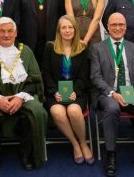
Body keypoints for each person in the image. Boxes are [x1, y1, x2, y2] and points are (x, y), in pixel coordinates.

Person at [0, 17, 47, 171]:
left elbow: (35, 79)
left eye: (10, 31)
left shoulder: (26, 51)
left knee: (37, 111)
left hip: (23, 96)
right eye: (2, 31)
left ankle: (28, 154)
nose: (6, 35)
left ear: (16, 33)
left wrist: (19, 97)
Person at [90, 12, 134, 176]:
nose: (117, 28)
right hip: (107, 94)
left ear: (125, 27)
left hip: (131, 93)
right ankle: (111, 154)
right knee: (113, 108)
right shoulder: (97, 48)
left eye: (121, 24)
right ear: (108, 27)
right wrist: (112, 93)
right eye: (113, 25)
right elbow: (95, 77)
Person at [41, 15, 94, 165]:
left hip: (77, 92)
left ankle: (83, 143)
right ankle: (75, 144)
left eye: (70, 27)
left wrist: (75, 92)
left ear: (75, 29)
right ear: (58, 30)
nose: (67, 30)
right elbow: (46, 73)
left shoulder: (82, 48)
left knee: (74, 111)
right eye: (64, 27)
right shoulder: (50, 47)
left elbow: (84, 75)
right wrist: (53, 91)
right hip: (55, 93)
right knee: (57, 112)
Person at [16, 0, 66, 64]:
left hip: (52, 42)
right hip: (28, 43)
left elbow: (62, 16)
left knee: (50, 72)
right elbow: (18, 18)